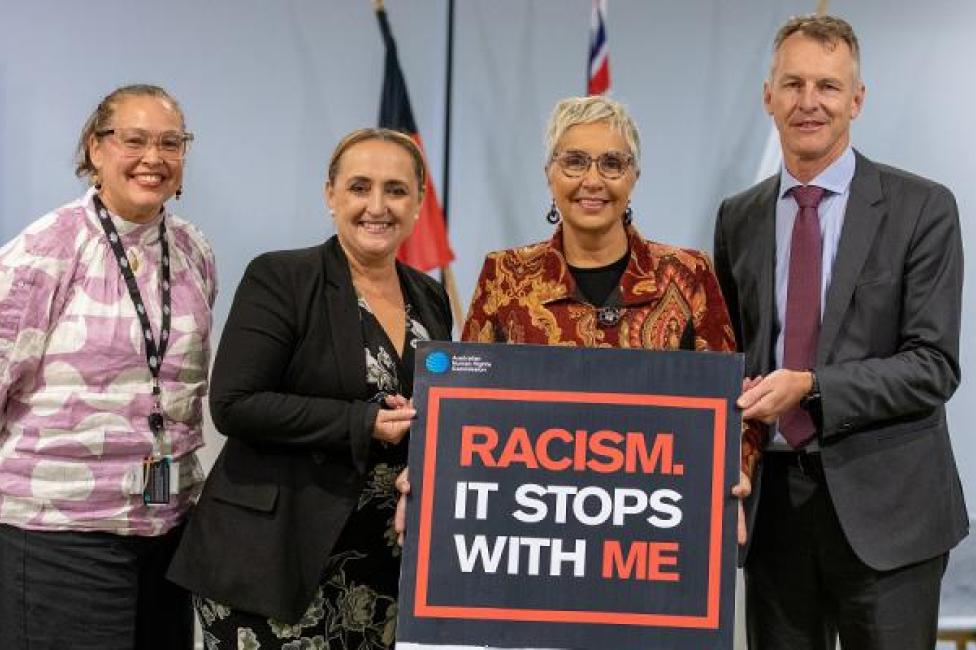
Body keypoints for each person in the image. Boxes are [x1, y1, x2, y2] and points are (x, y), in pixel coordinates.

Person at [396, 95, 761, 544]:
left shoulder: (686, 275)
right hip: (531, 528)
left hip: (654, 527)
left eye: (612, 163)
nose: (593, 180)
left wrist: (734, 477)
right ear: (549, 174)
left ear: (634, 178)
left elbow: (735, 404)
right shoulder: (506, 275)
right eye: (574, 162)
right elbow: (463, 404)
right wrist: (428, 470)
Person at [713, 14, 968, 650]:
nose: (809, 102)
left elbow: (933, 365)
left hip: (890, 516)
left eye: (828, 86)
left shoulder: (923, 209)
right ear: (767, 95)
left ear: (857, 100)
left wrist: (812, 386)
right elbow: (728, 355)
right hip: (771, 517)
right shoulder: (737, 217)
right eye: (792, 84)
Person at [168, 127, 453, 649]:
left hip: (382, 564)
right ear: (330, 195)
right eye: (359, 187)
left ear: (418, 203)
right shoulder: (281, 277)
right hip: (274, 561)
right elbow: (235, 404)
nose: (377, 206)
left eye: (395, 190)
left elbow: (435, 407)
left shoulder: (430, 297)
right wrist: (361, 423)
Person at [0, 84, 215, 649]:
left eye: (171, 142)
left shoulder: (194, 250)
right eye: (135, 140)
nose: (154, 158)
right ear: (96, 149)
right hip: (58, 533)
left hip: (166, 528)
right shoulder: (48, 247)